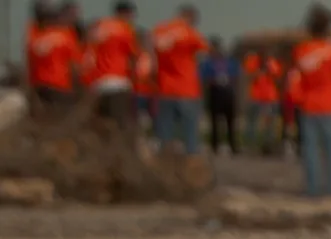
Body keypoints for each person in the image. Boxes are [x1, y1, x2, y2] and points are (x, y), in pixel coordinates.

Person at [292, 4, 331, 197]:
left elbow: (298, 77)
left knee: (311, 151)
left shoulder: (301, 50)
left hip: (308, 105)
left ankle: (312, 189)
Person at [152, 4, 208, 154]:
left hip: (165, 87)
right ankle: (191, 163)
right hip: (187, 88)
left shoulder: (159, 30)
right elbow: (202, 55)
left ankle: (164, 162)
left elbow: (153, 56)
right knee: (190, 131)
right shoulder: (190, 33)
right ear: (189, 16)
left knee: (165, 129)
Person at [86, 2, 140, 130]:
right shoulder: (125, 29)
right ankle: (121, 148)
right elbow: (132, 56)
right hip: (118, 80)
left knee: (101, 122)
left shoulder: (98, 27)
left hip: (97, 82)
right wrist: (133, 80)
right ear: (125, 13)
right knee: (121, 122)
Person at [26, 3, 82, 111]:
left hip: (40, 87)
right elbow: (75, 66)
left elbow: (31, 66)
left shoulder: (36, 38)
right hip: (60, 85)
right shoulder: (66, 35)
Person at [200, 37, 238, 154]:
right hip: (215, 92)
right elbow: (204, 77)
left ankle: (233, 146)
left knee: (230, 121)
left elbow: (236, 75)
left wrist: (229, 82)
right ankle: (215, 145)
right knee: (214, 121)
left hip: (227, 92)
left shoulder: (229, 61)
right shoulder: (208, 62)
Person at [242, 49, 282, 153]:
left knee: (270, 123)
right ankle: (251, 146)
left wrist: (269, 70)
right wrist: (259, 71)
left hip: (270, 98)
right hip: (256, 97)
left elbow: (278, 78)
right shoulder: (252, 61)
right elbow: (249, 76)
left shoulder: (272, 62)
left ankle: (268, 146)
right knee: (252, 123)